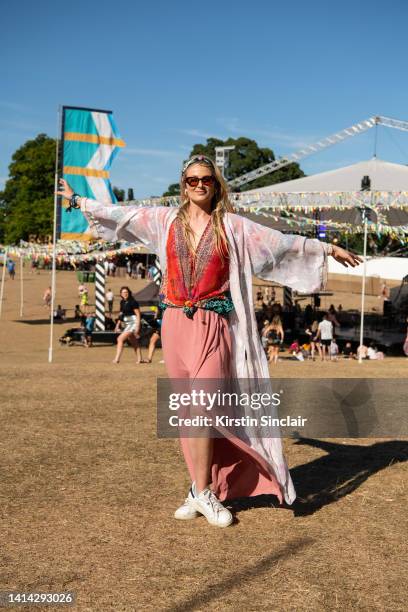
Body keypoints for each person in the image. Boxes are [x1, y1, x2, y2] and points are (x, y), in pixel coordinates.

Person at [57, 155, 361, 528]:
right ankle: (201, 488)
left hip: (213, 324)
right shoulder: (164, 220)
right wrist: (76, 200)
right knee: (189, 410)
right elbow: (119, 214)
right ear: (182, 185)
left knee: (205, 407)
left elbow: (279, 244)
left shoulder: (232, 227)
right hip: (174, 323)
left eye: (206, 180)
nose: (199, 185)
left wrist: (327, 248)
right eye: (191, 180)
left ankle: (203, 492)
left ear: (216, 185)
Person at [113, 286, 145, 364]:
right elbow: (121, 315)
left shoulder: (133, 302)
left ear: (129, 293)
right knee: (133, 341)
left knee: (120, 339)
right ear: (121, 294)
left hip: (134, 322)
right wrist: (117, 325)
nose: (125, 294)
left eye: (126, 292)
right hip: (127, 323)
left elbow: (138, 314)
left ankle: (117, 359)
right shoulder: (122, 302)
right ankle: (140, 359)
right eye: (123, 292)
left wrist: (137, 326)